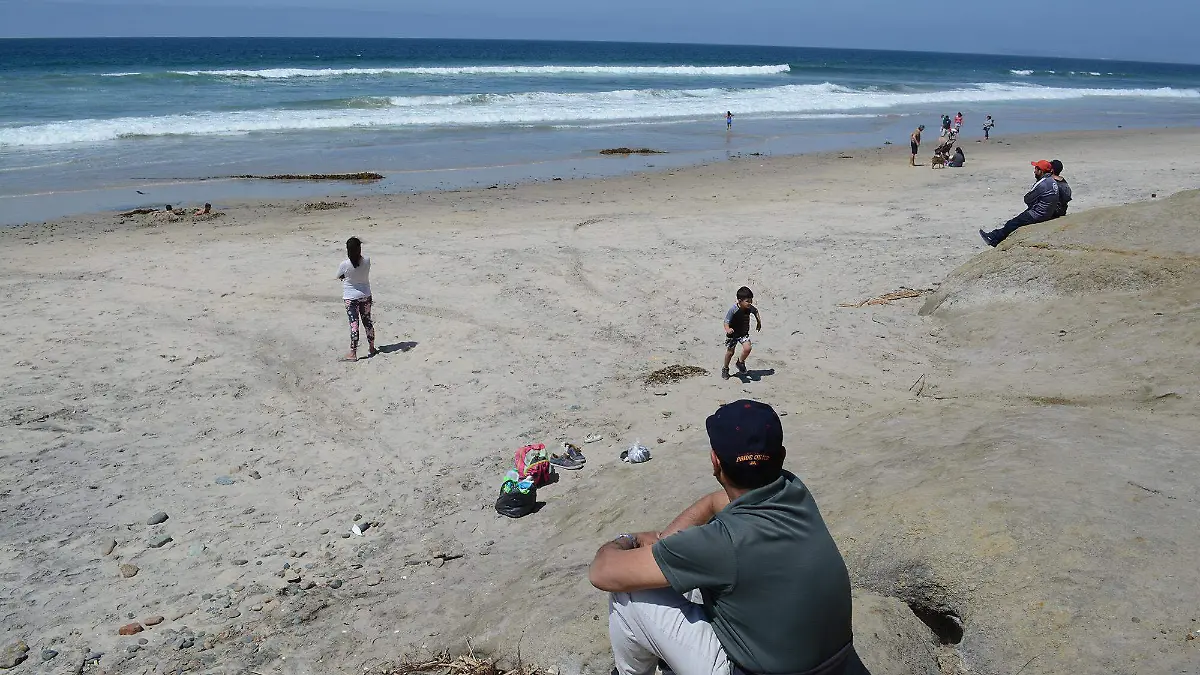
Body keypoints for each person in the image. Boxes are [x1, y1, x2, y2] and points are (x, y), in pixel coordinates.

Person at [588, 400, 870, 675]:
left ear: (715, 462)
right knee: (692, 580)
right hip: (834, 663)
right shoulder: (795, 491)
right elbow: (719, 501)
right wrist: (665, 542)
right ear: (781, 456)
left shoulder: (722, 542)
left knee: (628, 594)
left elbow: (602, 573)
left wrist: (628, 540)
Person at [979, 160, 1060, 246]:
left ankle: (993, 239)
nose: (1034, 171)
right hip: (1047, 212)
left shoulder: (1042, 184)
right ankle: (993, 235)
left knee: (1012, 224)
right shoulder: (1052, 181)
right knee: (1016, 221)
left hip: (1038, 214)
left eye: (1036, 169)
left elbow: (1027, 199)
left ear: (1041, 171)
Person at [336, 236, 377, 361]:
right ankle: (371, 347)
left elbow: (338, 275)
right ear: (360, 249)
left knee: (354, 324)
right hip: (365, 295)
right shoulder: (367, 261)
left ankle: (353, 353)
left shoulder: (344, 265)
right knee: (367, 322)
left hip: (350, 297)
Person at [721, 287, 761, 380]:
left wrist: (759, 322)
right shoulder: (733, 309)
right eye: (747, 301)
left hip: (743, 333)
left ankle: (740, 362)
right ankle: (725, 368)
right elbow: (726, 321)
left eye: (751, 300)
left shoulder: (749, 308)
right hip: (733, 335)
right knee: (730, 353)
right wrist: (728, 329)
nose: (750, 303)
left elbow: (756, 311)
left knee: (748, 348)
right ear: (740, 301)